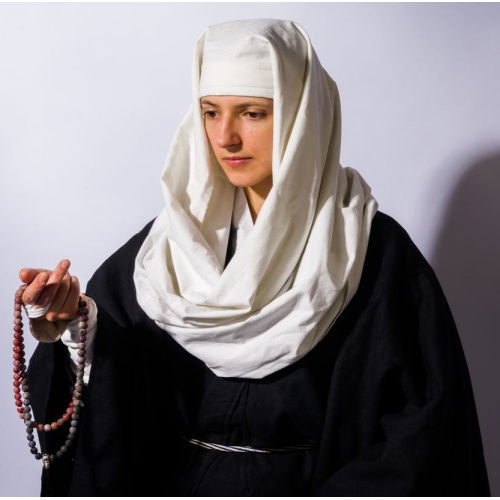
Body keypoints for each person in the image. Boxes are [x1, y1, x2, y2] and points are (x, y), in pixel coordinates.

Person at [18, 19, 489, 496]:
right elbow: (121, 390)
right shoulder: (171, 248)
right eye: (210, 112)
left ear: (302, 116)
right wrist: (75, 326)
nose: (225, 137)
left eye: (252, 113)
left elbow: (418, 436)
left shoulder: (371, 254)